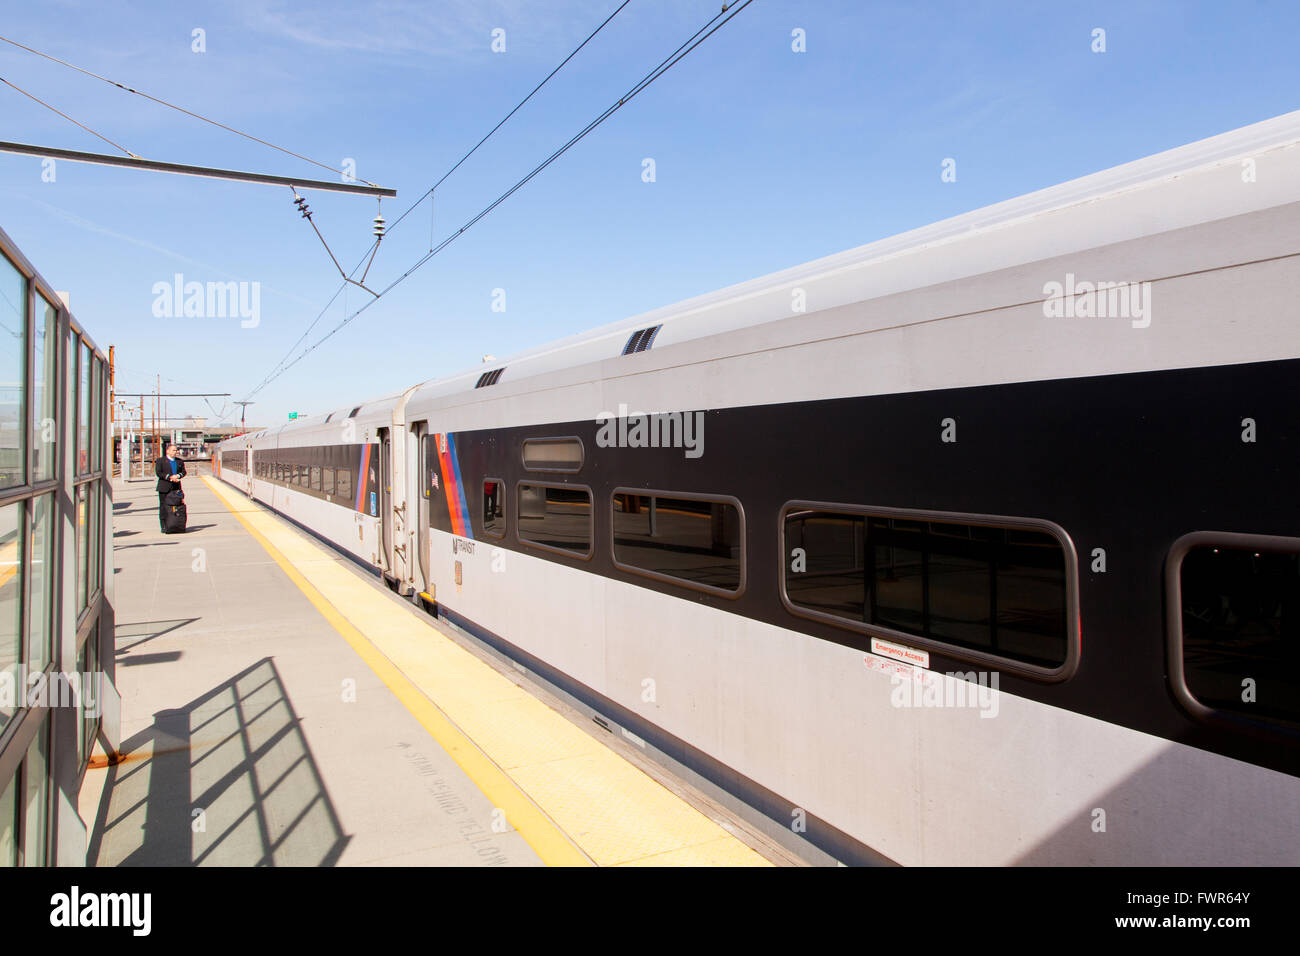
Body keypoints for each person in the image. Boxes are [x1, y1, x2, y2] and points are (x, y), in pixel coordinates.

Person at [155, 443, 187, 532]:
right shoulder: (160, 460)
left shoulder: (179, 461)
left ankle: (175, 524)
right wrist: (170, 477)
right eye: (173, 450)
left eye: (176, 450)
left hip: (176, 487)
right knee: (163, 506)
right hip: (164, 487)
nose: (175, 452)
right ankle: (164, 526)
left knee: (177, 506)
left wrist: (178, 476)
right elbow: (159, 473)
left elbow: (184, 472)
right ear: (167, 451)